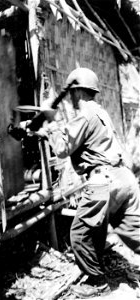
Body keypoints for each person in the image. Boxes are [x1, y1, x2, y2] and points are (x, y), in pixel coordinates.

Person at [34, 67, 140, 298]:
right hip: (124, 179)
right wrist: (44, 133)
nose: (70, 98)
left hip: (103, 180)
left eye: (72, 93)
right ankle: (100, 264)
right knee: (131, 233)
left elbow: (62, 149)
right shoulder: (101, 113)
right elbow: (79, 138)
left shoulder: (84, 114)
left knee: (80, 233)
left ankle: (97, 281)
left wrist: (50, 123)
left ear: (78, 91)